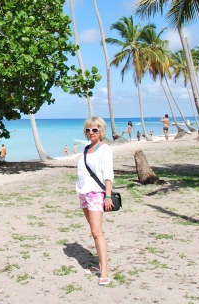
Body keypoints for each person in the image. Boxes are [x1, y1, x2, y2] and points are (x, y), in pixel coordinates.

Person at [76, 116, 114, 286]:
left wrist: (107, 195)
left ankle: (104, 270)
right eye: (88, 130)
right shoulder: (87, 148)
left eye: (95, 130)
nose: (91, 133)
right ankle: (99, 265)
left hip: (97, 194)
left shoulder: (104, 149)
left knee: (97, 232)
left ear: (101, 131)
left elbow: (108, 173)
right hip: (84, 193)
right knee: (93, 231)